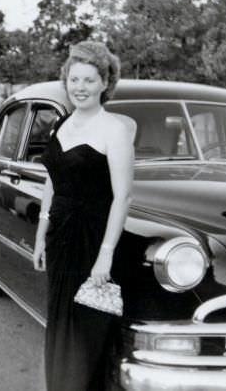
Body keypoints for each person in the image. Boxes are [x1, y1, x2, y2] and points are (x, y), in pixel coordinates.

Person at [32, 41, 136, 391]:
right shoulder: (61, 124)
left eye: (89, 80)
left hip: (93, 242)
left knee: (87, 341)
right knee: (61, 331)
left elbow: (122, 196)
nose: (80, 87)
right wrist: (41, 232)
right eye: (74, 79)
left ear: (105, 83)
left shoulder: (114, 129)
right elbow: (52, 178)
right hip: (60, 240)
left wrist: (105, 254)